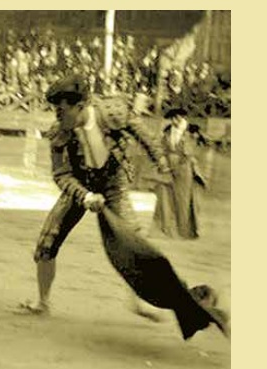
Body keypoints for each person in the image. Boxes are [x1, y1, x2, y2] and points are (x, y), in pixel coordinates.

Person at [18, 75, 171, 318]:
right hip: (81, 184)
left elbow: (143, 134)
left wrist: (161, 162)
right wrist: (85, 195)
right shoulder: (60, 132)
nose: (57, 116)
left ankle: (138, 302)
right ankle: (42, 302)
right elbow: (61, 175)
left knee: (133, 241)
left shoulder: (113, 112)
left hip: (113, 183)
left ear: (80, 106)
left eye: (61, 110)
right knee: (47, 243)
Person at [151, 107, 205, 239]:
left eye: (178, 118)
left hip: (184, 167)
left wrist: (184, 161)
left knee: (183, 199)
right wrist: (163, 162)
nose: (175, 121)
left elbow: (192, 151)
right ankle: (167, 229)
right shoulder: (167, 131)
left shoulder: (191, 131)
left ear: (181, 118)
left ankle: (185, 231)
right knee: (166, 196)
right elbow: (162, 147)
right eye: (173, 118)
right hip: (169, 166)